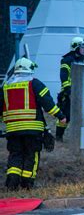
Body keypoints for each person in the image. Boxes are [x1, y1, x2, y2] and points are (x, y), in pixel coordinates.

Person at [1, 58, 66, 190]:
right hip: (32, 129)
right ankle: (27, 183)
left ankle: (12, 183)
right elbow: (47, 103)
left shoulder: (5, 87)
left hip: (13, 130)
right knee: (32, 154)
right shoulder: (34, 84)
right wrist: (61, 116)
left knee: (15, 154)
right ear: (30, 69)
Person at [56, 36, 84, 141]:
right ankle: (59, 136)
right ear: (76, 48)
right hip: (69, 92)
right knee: (66, 115)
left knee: (83, 115)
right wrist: (68, 91)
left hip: (82, 91)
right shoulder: (67, 60)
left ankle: (79, 137)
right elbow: (64, 76)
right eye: (82, 47)